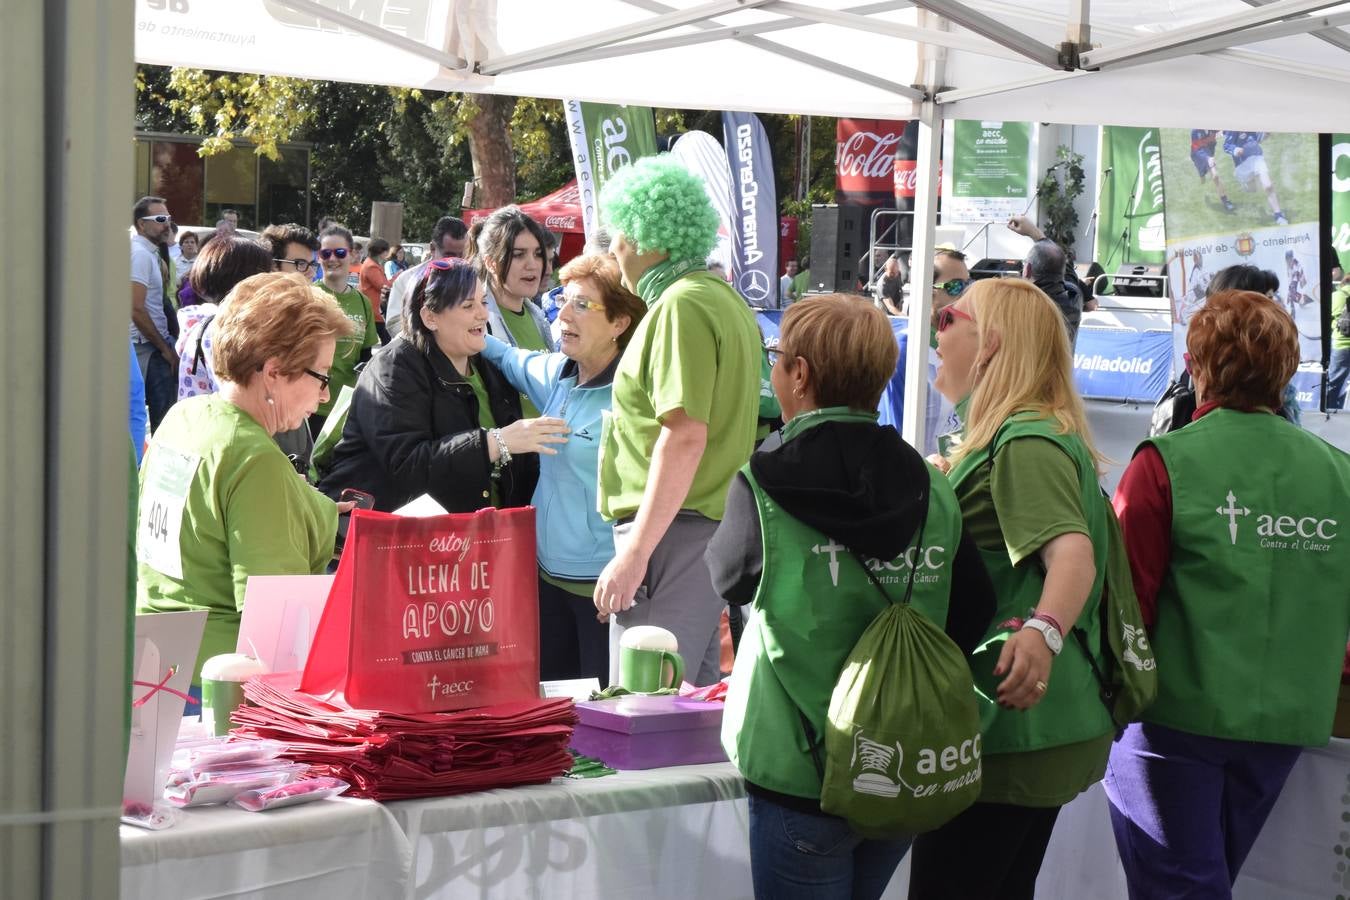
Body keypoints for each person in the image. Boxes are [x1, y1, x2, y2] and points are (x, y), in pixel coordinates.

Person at [709, 295, 995, 900]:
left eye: (777, 357)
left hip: (798, 763)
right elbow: (973, 608)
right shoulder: (930, 481)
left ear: (802, 374)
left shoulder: (762, 480)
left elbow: (729, 580)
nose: (775, 369)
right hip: (901, 760)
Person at [1107, 289, 1350, 898]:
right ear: (1287, 371)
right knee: (1206, 878)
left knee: (1183, 886)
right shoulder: (1337, 472)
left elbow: (1123, 602)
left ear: (1194, 365)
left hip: (1173, 718)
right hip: (1287, 718)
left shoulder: (1165, 463)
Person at [908, 277, 1116, 900]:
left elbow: (1070, 551)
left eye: (949, 319)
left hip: (1011, 722)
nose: (936, 332)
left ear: (992, 342)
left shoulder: (1023, 438)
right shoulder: (1030, 433)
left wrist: (1043, 633)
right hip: (1030, 722)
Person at [592, 154, 763, 686]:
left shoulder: (680, 306)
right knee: (688, 709)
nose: (613, 246)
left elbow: (685, 434)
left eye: (618, 231)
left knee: (642, 704)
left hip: (671, 534)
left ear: (646, 236)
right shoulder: (720, 301)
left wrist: (636, 553)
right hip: (697, 526)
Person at [136, 273, 355, 688]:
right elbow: (277, 629)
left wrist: (308, 506)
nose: (325, 395)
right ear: (274, 372)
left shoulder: (185, 416)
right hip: (221, 689)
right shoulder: (254, 458)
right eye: (321, 376)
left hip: (155, 666)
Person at [480, 255, 646, 685]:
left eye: (583, 305)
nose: (564, 315)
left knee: (596, 725)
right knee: (549, 715)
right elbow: (508, 356)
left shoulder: (636, 398)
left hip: (602, 595)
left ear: (619, 323)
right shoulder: (559, 373)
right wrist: (464, 327)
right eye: (563, 301)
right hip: (543, 583)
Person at [317, 258, 567, 514]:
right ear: (430, 317)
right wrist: (495, 442)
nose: (482, 313)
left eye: (483, 302)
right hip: (401, 539)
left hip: (476, 537)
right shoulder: (393, 368)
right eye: (468, 305)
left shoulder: (488, 363)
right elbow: (407, 464)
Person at [476, 207, 557, 418]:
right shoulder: (476, 321)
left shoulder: (539, 318)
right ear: (491, 262)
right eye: (519, 255)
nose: (533, 265)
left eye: (538, 254)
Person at [176, 236, 276, 401]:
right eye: (266, 273)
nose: (272, 280)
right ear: (244, 280)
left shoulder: (211, 322)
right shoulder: (224, 329)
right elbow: (243, 397)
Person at [312, 224, 379, 435]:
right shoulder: (307, 296)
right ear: (319, 257)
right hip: (310, 405)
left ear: (352, 255)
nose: (333, 258)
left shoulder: (363, 302)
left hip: (346, 408)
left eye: (340, 252)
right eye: (326, 253)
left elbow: (366, 354)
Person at [130, 196, 179, 432]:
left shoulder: (149, 253)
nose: (167, 224)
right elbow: (135, 308)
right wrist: (164, 349)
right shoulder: (139, 254)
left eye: (168, 218)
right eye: (160, 219)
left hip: (154, 344)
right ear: (141, 224)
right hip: (147, 346)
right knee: (163, 421)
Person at [1007, 215, 1083, 347]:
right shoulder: (1074, 296)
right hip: (1063, 368)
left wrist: (1035, 234)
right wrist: (1037, 235)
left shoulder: (1020, 304)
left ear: (1027, 270)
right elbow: (1065, 267)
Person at [387, 217, 468, 339]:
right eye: (449, 256)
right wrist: (427, 340)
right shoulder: (407, 281)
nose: (456, 262)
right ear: (433, 249)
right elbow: (394, 323)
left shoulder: (474, 280)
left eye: (462, 256)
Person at [1222, 131, 1288, 225]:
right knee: (1252, 189)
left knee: (1268, 186)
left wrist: (1267, 134)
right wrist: (1236, 150)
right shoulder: (1234, 130)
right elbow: (1226, 146)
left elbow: (1258, 138)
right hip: (1242, 164)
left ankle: (1278, 215)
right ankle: (1246, 182)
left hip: (1257, 158)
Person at [1190, 130, 1237, 213]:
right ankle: (1202, 175)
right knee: (1202, 175)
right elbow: (1195, 146)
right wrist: (1207, 158)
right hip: (1198, 153)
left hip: (1209, 151)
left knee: (1215, 176)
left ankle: (1225, 201)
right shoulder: (1195, 131)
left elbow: (1225, 131)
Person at [360, 237, 392, 344]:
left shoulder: (371, 264)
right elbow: (383, 286)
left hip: (373, 309)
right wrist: (397, 277)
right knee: (387, 340)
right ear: (381, 251)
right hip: (374, 310)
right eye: (386, 250)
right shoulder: (371, 266)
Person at [1329, 274, 1350, 410]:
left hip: (1341, 344)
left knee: (1334, 382)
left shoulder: (1337, 295)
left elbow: (1330, 318)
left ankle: (1329, 408)